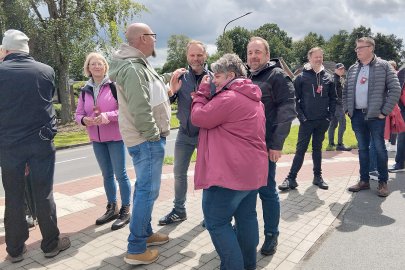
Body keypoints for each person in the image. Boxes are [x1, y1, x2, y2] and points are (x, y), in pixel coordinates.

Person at [191, 53, 268, 270]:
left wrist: (202, 92)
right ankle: (249, 265)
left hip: (228, 174)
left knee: (216, 222)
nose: (214, 80)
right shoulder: (254, 99)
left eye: (217, 76)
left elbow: (199, 117)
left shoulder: (229, 98)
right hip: (250, 173)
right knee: (246, 219)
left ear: (231, 75)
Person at [0, 29, 70, 263]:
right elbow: (46, 99)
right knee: (44, 193)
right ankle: (50, 244)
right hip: (40, 141)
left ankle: (15, 249)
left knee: (13, 195)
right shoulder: (46, 70)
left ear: (6, 49)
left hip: (9, 144)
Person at [109, 23, 171, 265]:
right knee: (147, 191)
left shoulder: (137, 65)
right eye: (153, 36)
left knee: (146, 190)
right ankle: (135, 248)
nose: (155, 40)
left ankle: (145, 234)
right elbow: (140, 108)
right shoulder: (133, 68)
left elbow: (150, 92)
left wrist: (168, 79)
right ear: (143, 38)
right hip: (146, 140)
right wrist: (153, 135)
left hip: (146, 139)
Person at [246, 37, 296, 256]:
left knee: (266, 191)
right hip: (245, 147)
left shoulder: (277, 76)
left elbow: (287, 110)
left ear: (267, 55)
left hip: (265, 147)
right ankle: (246, 230)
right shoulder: (245, 75)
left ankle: (271, 235)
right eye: (250, 52)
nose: (254, 56)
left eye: (258, 52)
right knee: (245, 193)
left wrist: (276, 144)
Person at [75, 52, 131, 230]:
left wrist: (107, 116)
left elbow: (125, 110)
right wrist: (85, 120)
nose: (97, 66)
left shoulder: (114, 86)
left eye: (100, 63)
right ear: (88, 68)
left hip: (115, 138)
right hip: (97, 140)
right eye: (93, 64)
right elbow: (78, 114)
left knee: (120, 174)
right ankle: (112, 208)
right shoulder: (85, 90)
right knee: (106, 175)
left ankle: (125, 210)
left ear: (106, 66)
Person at [159, 40, 211, 226]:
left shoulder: (213, 78)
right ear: (187, 56)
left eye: (199, 55)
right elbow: (168, 102)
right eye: (192, 55)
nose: (195, 59)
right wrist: (173, 90)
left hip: (206, 134)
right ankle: (179, 210)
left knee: (208, 175)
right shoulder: (180, 77)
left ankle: (210, 214)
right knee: (179, 173)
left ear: (205, 56)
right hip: (184, 133)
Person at [345, 37, 401, 197]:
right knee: (362, 149)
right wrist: (347, 109)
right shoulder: (353, 68)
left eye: (360, 48)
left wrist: (384, 111)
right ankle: (364, 181)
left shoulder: (383, 66)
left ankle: (383, 182)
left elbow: (395, 89)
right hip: (356, 115)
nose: (357, 51)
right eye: (356, 48)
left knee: (379, 148)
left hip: (376, 117)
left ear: (370, 48)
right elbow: (346, 91)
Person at [280, 47, 336, 192]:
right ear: (309, 58)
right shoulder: (301, 77)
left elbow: (333, 99)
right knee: (301, 150)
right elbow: (294, 99)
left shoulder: (328, 77)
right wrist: (302, 117)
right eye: (316, 57)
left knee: (317, 149)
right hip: (306, 121)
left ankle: (318, 177)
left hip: (322, 121)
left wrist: (329, 116)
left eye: (321, 57)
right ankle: (291, 178)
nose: (319, 59)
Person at [328, 63, 352, 151]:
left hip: (334, 106)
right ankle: (340, 144)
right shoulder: (335, 80)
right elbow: (335, 95)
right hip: (338, 105)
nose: (342, 70)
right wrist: (342, 103)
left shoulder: (337, 79)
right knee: (343, 124)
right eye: (340, 69)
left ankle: (331, 143)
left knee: (333, 124)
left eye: (343, 69)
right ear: (335, 70)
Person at [388, 67, 405, 172]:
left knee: (402, 136)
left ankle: (400, 164)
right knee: (402, 135)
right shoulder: (403, 71)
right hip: (403, 109)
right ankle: (400, 163)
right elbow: (398, 90)